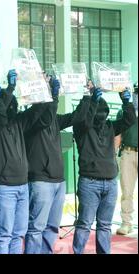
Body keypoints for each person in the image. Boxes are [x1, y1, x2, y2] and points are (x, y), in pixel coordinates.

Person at [0, 70, 49, 254]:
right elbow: (0, 113)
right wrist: (9, 87)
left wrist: (44, 86)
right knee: (4, 234)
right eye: (10, 104)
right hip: (3, 187)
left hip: (22, 186)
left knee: (19, 233)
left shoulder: (19, 122)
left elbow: (38, 109)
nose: (13, 107)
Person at [72, 86, 135, 254]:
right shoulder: (82, 128)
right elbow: (84, 119)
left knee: (105, 226)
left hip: (110, 182)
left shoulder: (110, 127)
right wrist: (91, 100)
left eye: (104, 111)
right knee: (85, 224)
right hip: (89, 183)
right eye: (97, 110)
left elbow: (129, 120)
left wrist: (126, 101)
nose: (102, 115)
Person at [23, 78, 76, 253]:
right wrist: (54, 97)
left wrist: (88, 98)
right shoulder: (30, 118)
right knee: (36, 228)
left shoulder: (54, 118)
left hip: (58, 181)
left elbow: (76, 117)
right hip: (40, 180)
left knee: (52, 228)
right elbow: (45, 117)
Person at [115, 82, 138, 235]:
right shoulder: (123, 112)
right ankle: (126, 222)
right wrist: (113, 154)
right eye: (136, 92)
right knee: (127, 190)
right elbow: (118, 135)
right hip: (128, 153)